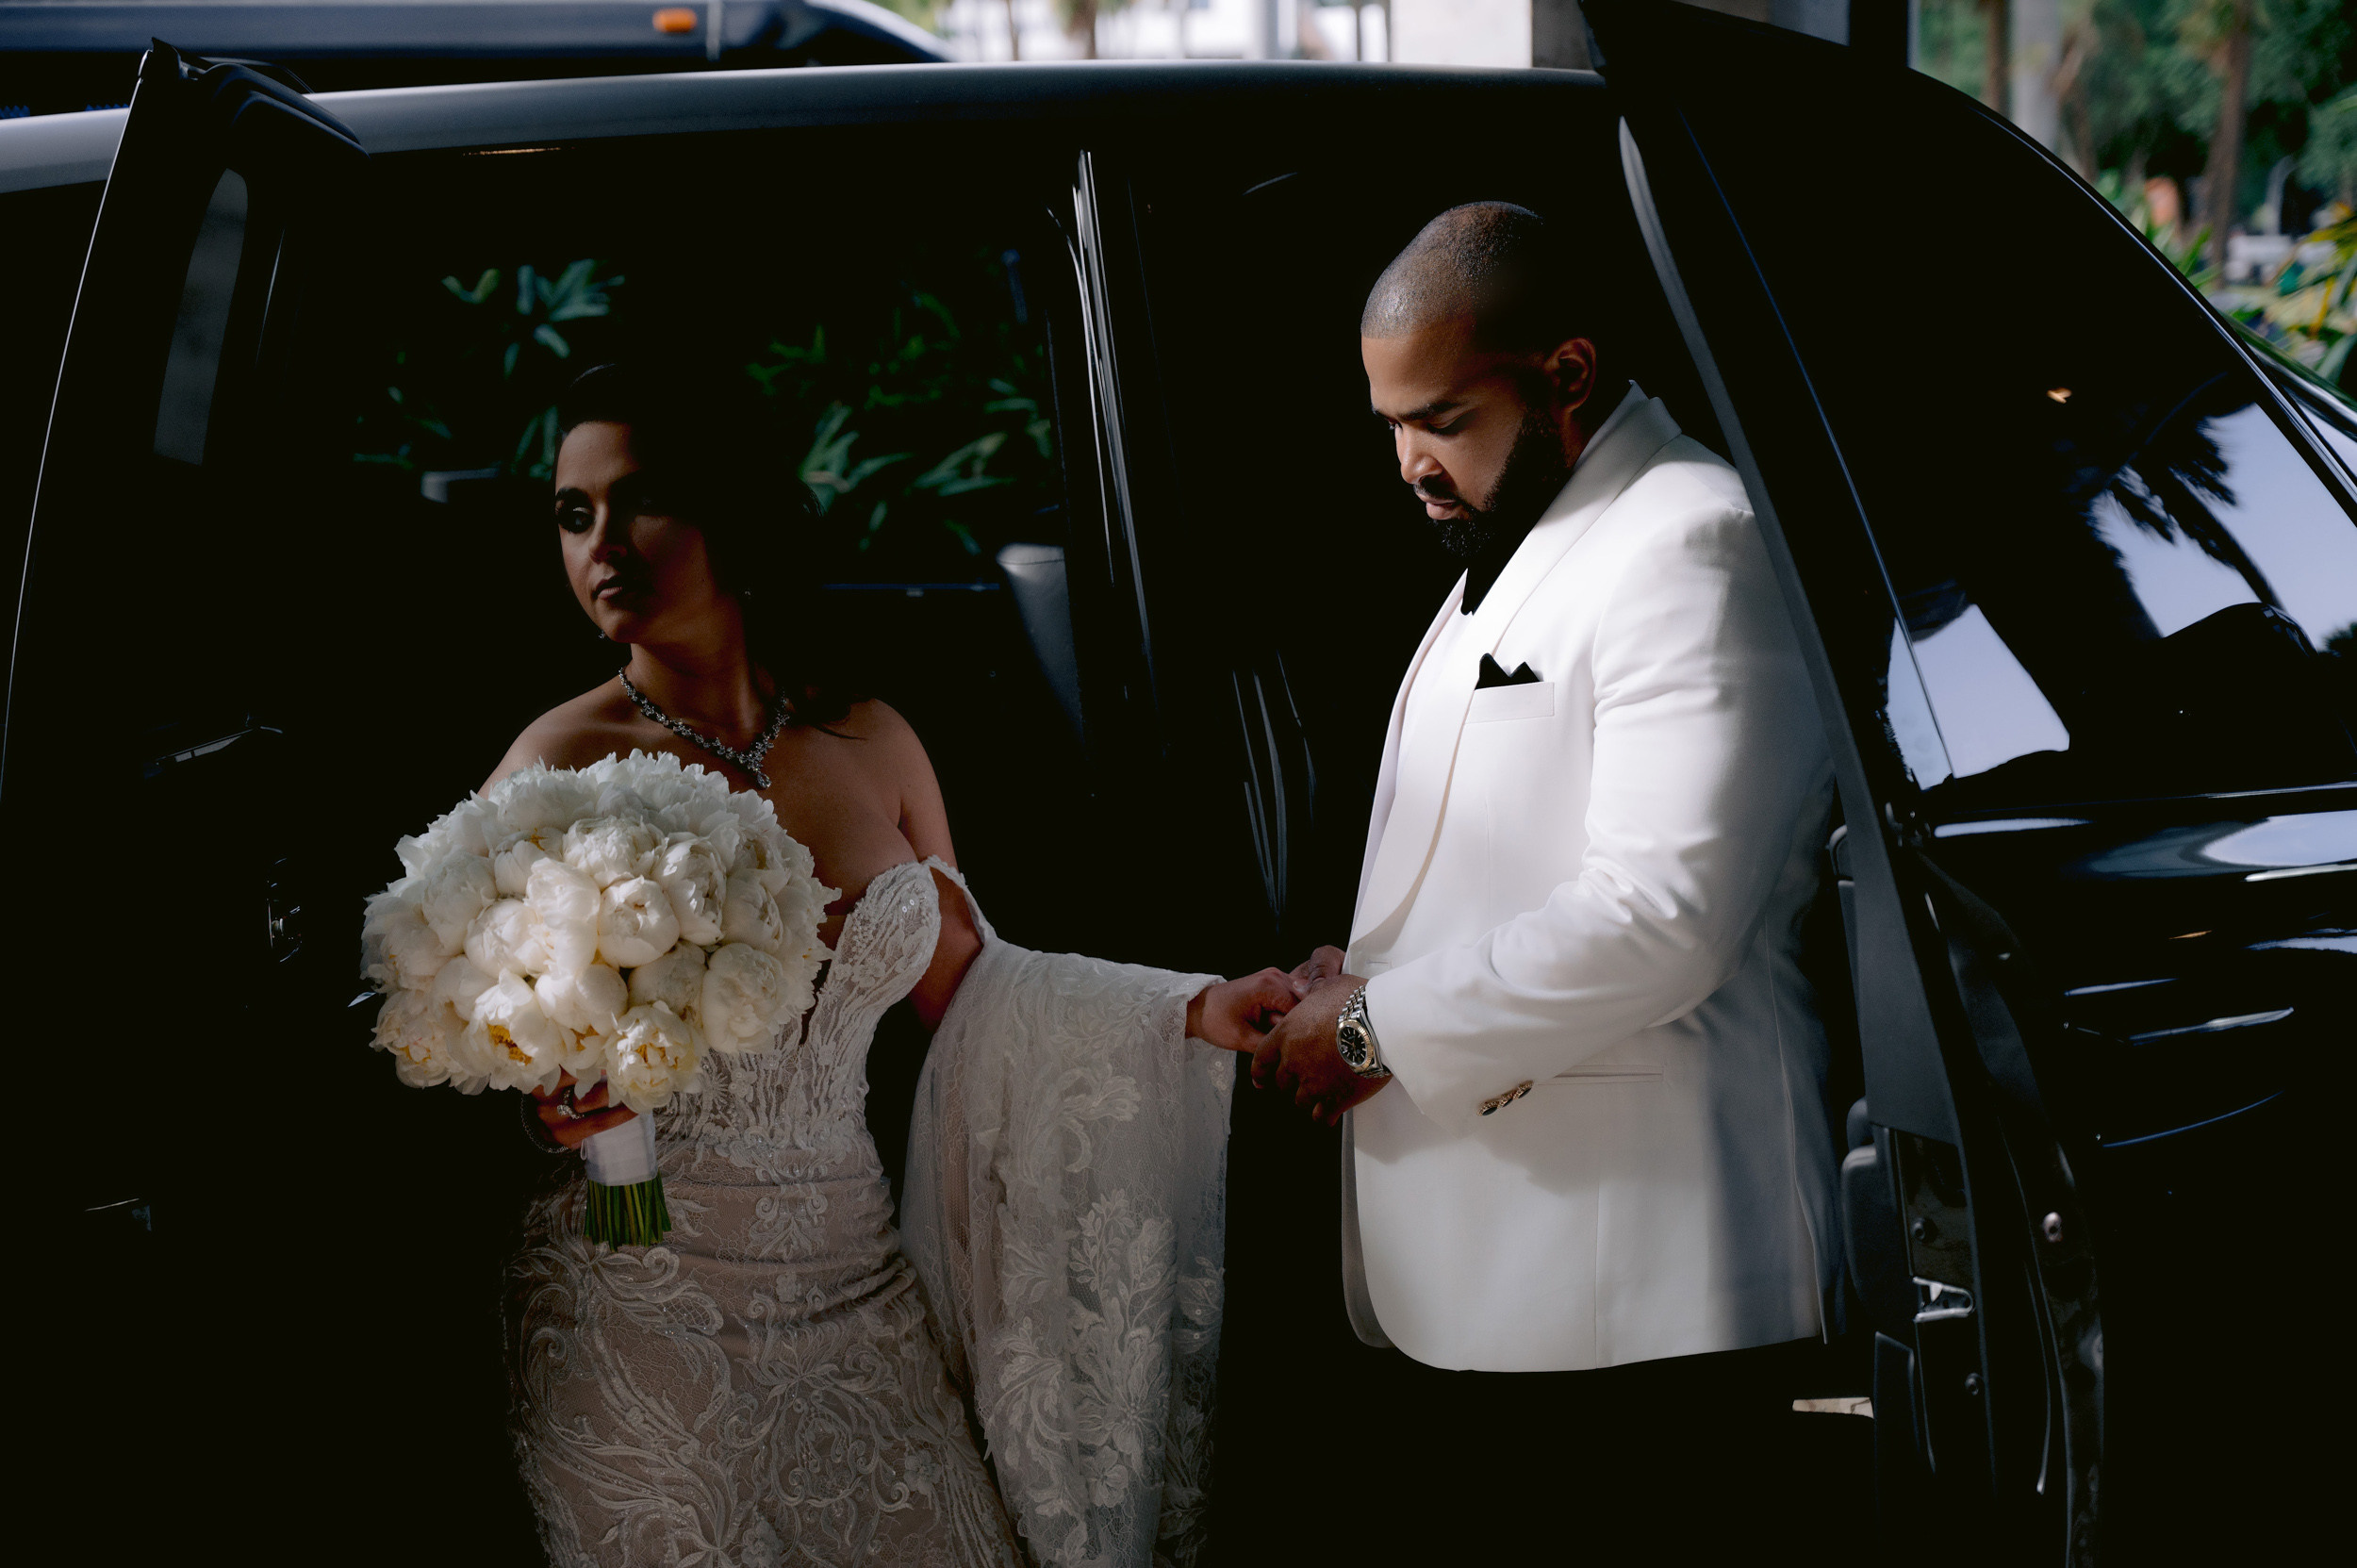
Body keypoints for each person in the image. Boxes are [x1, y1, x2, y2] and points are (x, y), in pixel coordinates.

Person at [494, 363, 1293, 1568]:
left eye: (640, 501)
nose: (602, 542)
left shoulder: (869, 738)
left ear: (731, 512)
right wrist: (550, 1104)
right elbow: (486, 1035)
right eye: (573, 512)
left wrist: (1186, 1010)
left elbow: (978, 988)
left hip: (852, 1291)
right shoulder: (552, 768)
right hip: (637, 1301)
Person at [1253, 203, 1841, 1559]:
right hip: (1515, 1287)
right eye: (1391, 424)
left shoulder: (1694, 534)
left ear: (1568, 374)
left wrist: (1368, 1028)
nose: (1409, 462)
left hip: (1641, 1296)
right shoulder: (1522, 535)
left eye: (1443, 418)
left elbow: (1664, 913)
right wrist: (1364, 977)